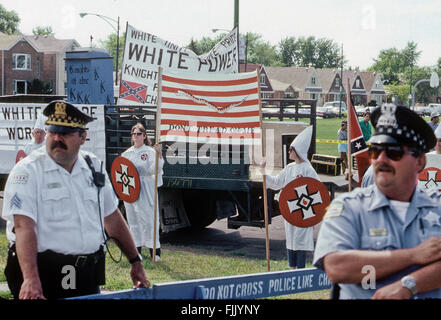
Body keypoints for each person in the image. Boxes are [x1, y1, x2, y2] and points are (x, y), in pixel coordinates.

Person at [2, 101, 150, 300]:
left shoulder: (93, 167)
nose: (56, 138)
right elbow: (23, 227)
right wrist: (30, 278)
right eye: (52, 132)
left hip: (87, 275)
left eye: (65, 133)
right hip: (42, 275)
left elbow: (112, 218)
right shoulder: (28, 171)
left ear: (82, 137)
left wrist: (136, 261)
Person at [313, 104, 441, 299]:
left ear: (420, 162)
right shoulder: (348, 208)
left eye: (393, 152)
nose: (381, 159)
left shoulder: (437, 209)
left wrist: (409, 285)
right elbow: (337, 266)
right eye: (375, 151)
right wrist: (414, 255)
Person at [259, 126, 318, 269]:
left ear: (297, 152)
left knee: (300, 240)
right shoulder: (289, 168)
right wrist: (264, 172)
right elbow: (276, 182)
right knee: (291, 239)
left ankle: (300, 269)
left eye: (291, 149)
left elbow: (317, 189)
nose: (289, 151)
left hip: (303, 211)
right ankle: (292, 269)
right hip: (291, 209)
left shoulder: (308, 169)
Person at [122, 123, 164, 262]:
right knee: (134, 219)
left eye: (139, 133)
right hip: (131, 189)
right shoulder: (127, 153)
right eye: (134, 133)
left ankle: (155, 251)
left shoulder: (150, 152)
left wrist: (159, 155)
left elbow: (154, 169)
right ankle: (137, 250)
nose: (136, 136)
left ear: (144, 136)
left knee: (149, 219)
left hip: (146, 188)